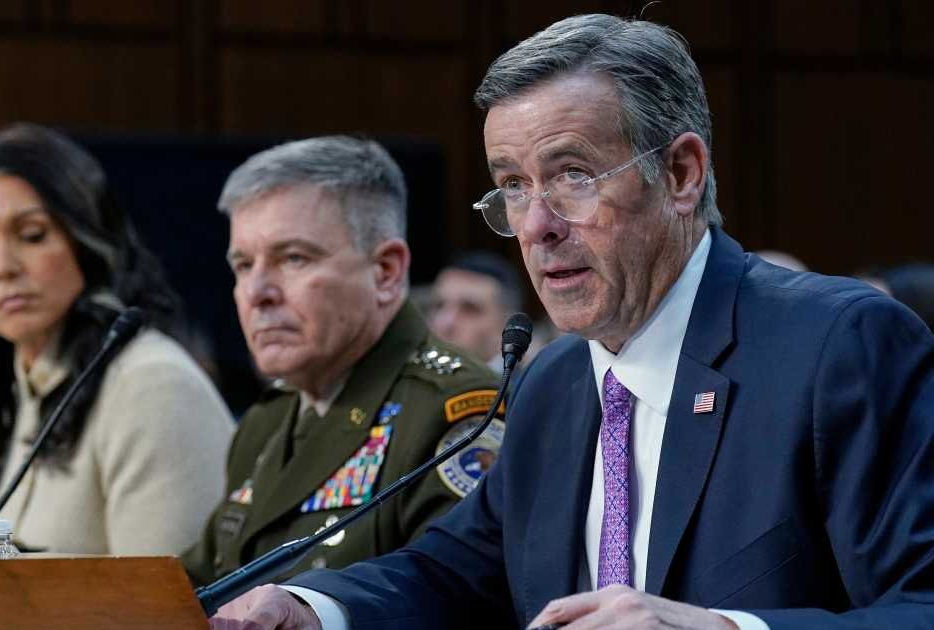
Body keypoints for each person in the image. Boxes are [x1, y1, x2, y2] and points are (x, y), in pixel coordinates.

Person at [211, 14, 934, 630]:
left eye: (571, 175)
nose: (536, 225)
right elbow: (458, 571)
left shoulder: (837, 347)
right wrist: (310, 607)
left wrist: (720, 628)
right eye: (513, 187)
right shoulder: (553, 381)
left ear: (680, 174)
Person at [181, 136, 503, 585]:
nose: (257, 293)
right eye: (242, 265)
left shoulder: (460, 411)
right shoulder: (267, 422)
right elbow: (200, 588)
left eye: (293, 258)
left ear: (386, 272)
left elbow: (454, 597)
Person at [0, 123, 233, 554]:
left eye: (32, 236)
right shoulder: (15, 388)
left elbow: (165, 607)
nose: (2, 268)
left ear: (89, 239)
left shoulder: (152, 386)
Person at [429, 250, 554, 371]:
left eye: (469, 309)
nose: (445, 323)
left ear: (509, 325)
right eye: (439, 306)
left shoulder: (531, 384)